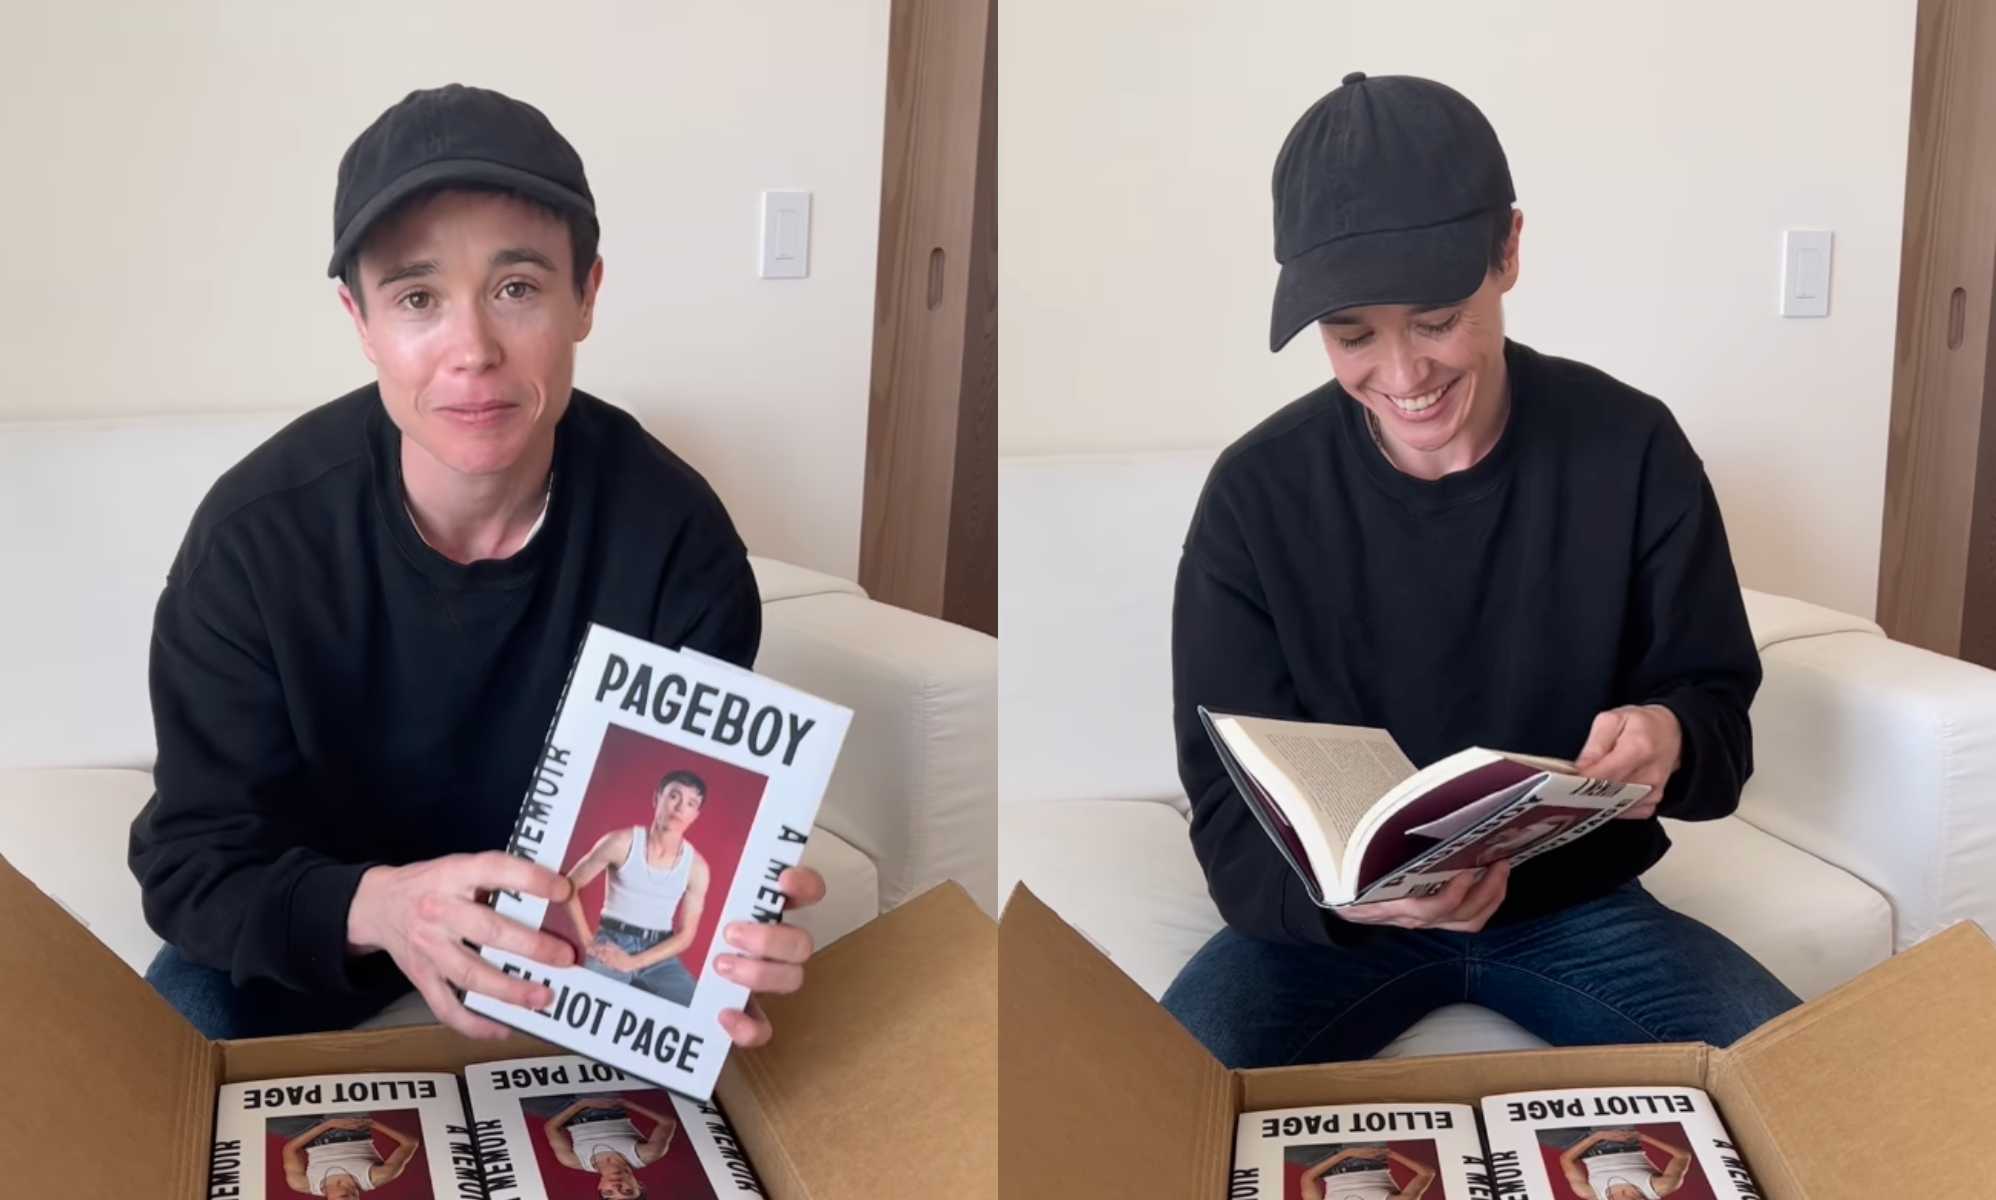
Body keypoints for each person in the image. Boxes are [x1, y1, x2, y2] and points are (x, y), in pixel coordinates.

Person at [128, 84, 820, 1043]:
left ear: (586, 296)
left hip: (568, 959)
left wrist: (744, 926)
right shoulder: (253, 541)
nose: (473, 350)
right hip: (316, 943)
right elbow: (192, 865)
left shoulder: (677, 542)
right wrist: (384, 907)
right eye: (418, 297)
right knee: (145, 1076)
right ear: (360, 321)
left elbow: (688, 830)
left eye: (517, 288)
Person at [1161, 72, 1801, 1067]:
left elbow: (1719, 715)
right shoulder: (1255, 495)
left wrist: (1669, 737)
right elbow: (1223, 801)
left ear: (1507, 249)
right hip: (1330, 936)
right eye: (1351, 335)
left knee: (1810, 1083)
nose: (1403, 375)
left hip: (1577, 908)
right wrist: (1361, 901)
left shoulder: (1629, 448)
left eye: (1432, 318)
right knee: (1140, 1110)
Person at [564, 769, 713, 1004]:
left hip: (660, 953)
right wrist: (587, 941)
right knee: (590, 1001)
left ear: (695, 814)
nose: (680, 807)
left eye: (691, 803)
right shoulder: (620, 843)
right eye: (674, 796)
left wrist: (634, 962)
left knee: (697, 1007)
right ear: (657, 799)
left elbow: (686, 935)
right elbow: (567, 887)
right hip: (612, 942)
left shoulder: (697, 867)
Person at [538, 1096, 677, 1199]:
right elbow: (667, 1122)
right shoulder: (648, 1154)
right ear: (640, 1186)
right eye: (627, 1191)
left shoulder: (573, 1161)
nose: (617, 1186)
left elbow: (551, 1127)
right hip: (606, 1107)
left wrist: (582, 1104)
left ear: (600, 1188)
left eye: (609, 1192)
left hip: (563, 1113)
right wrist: (624, 1103)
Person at [277, 1116, 418, 1197]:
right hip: (351, 1129)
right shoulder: (378, 1176)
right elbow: (410, 1143)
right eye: (354, 1197)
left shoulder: (303, 1184)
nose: (351, 1194)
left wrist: (327, 1125)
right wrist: (371, 1123)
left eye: (344, 1197)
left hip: (305, 1133)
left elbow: (290, 1149)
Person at [1555, 1129, 1692, 1200]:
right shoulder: (1662, 1186)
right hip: (1622, 1141)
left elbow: (1566, 1159)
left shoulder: (1591, 1193)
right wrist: (1642, 1137)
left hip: (1580, 1146)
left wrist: (1597, 1137)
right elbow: (1683, 1156)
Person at [1298, 1145, 1435, 1200]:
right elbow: (1426, 1173)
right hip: (1369, 1158)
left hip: (1323, 1162)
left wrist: (1344, 1154)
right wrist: (1388, 1153)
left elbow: (1308, 1178)